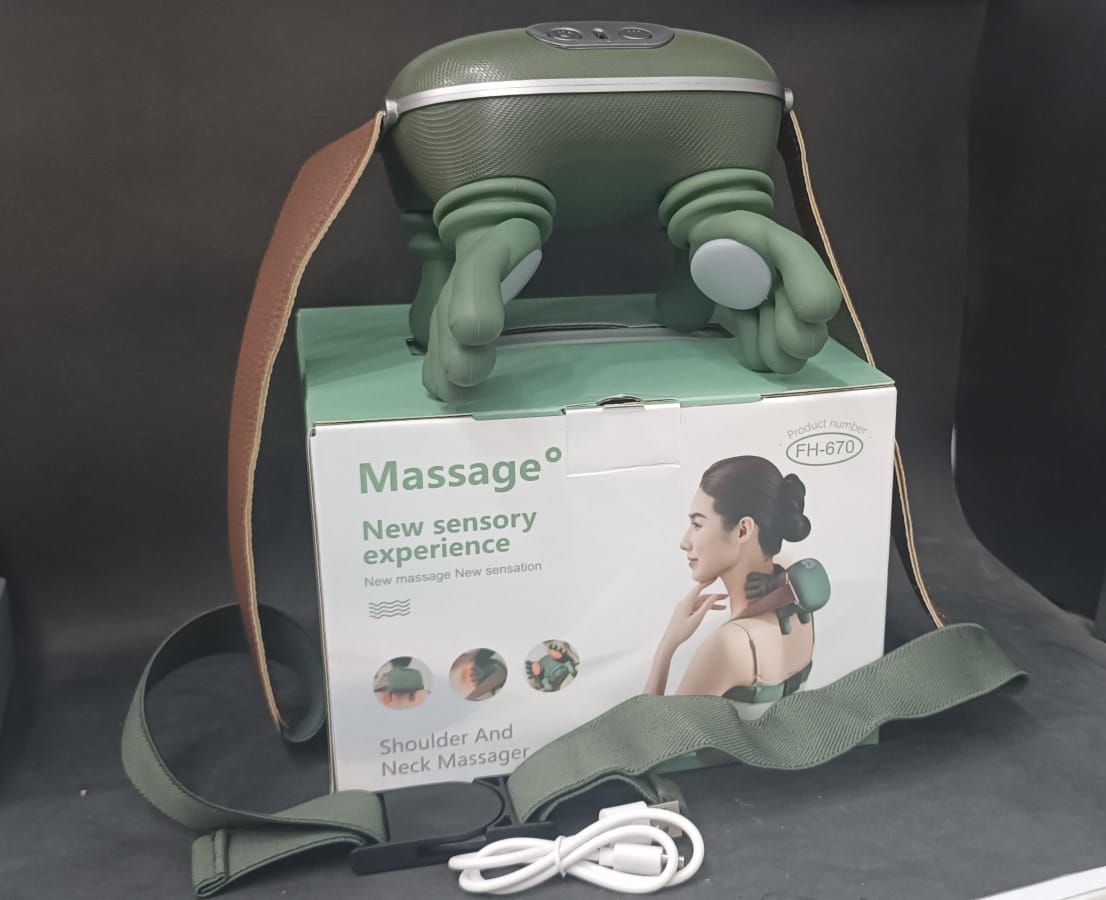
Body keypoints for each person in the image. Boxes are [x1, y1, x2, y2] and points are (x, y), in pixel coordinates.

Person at [643, 456, 820, 702]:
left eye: (697, 524)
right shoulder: (802, 615)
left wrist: (668, 644)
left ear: (742, 530)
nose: (685, 542)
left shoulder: (729, 644)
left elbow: (655, 727)